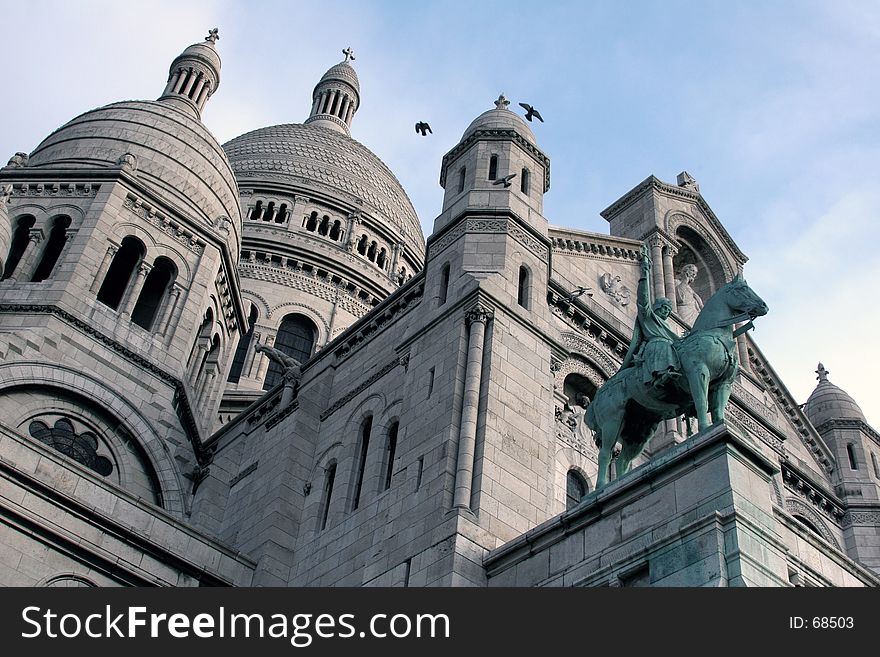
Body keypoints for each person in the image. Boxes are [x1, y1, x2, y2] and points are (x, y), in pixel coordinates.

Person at [621, 244, 680, 388]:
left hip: (667, 348)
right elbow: (643, 299)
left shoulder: (666, 326)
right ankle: (659, 375)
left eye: (668, 310)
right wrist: (644, 275)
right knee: (663, 345)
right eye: (664, 308)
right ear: (657, 308)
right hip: (655, 347)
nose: (666, 311)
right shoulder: (648, 317)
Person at [255, 343, 303, 407]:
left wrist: (284, 366)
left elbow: (278, 358)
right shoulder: (267, 352)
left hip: (290, 363)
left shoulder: (269, 350)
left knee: (288, 361)